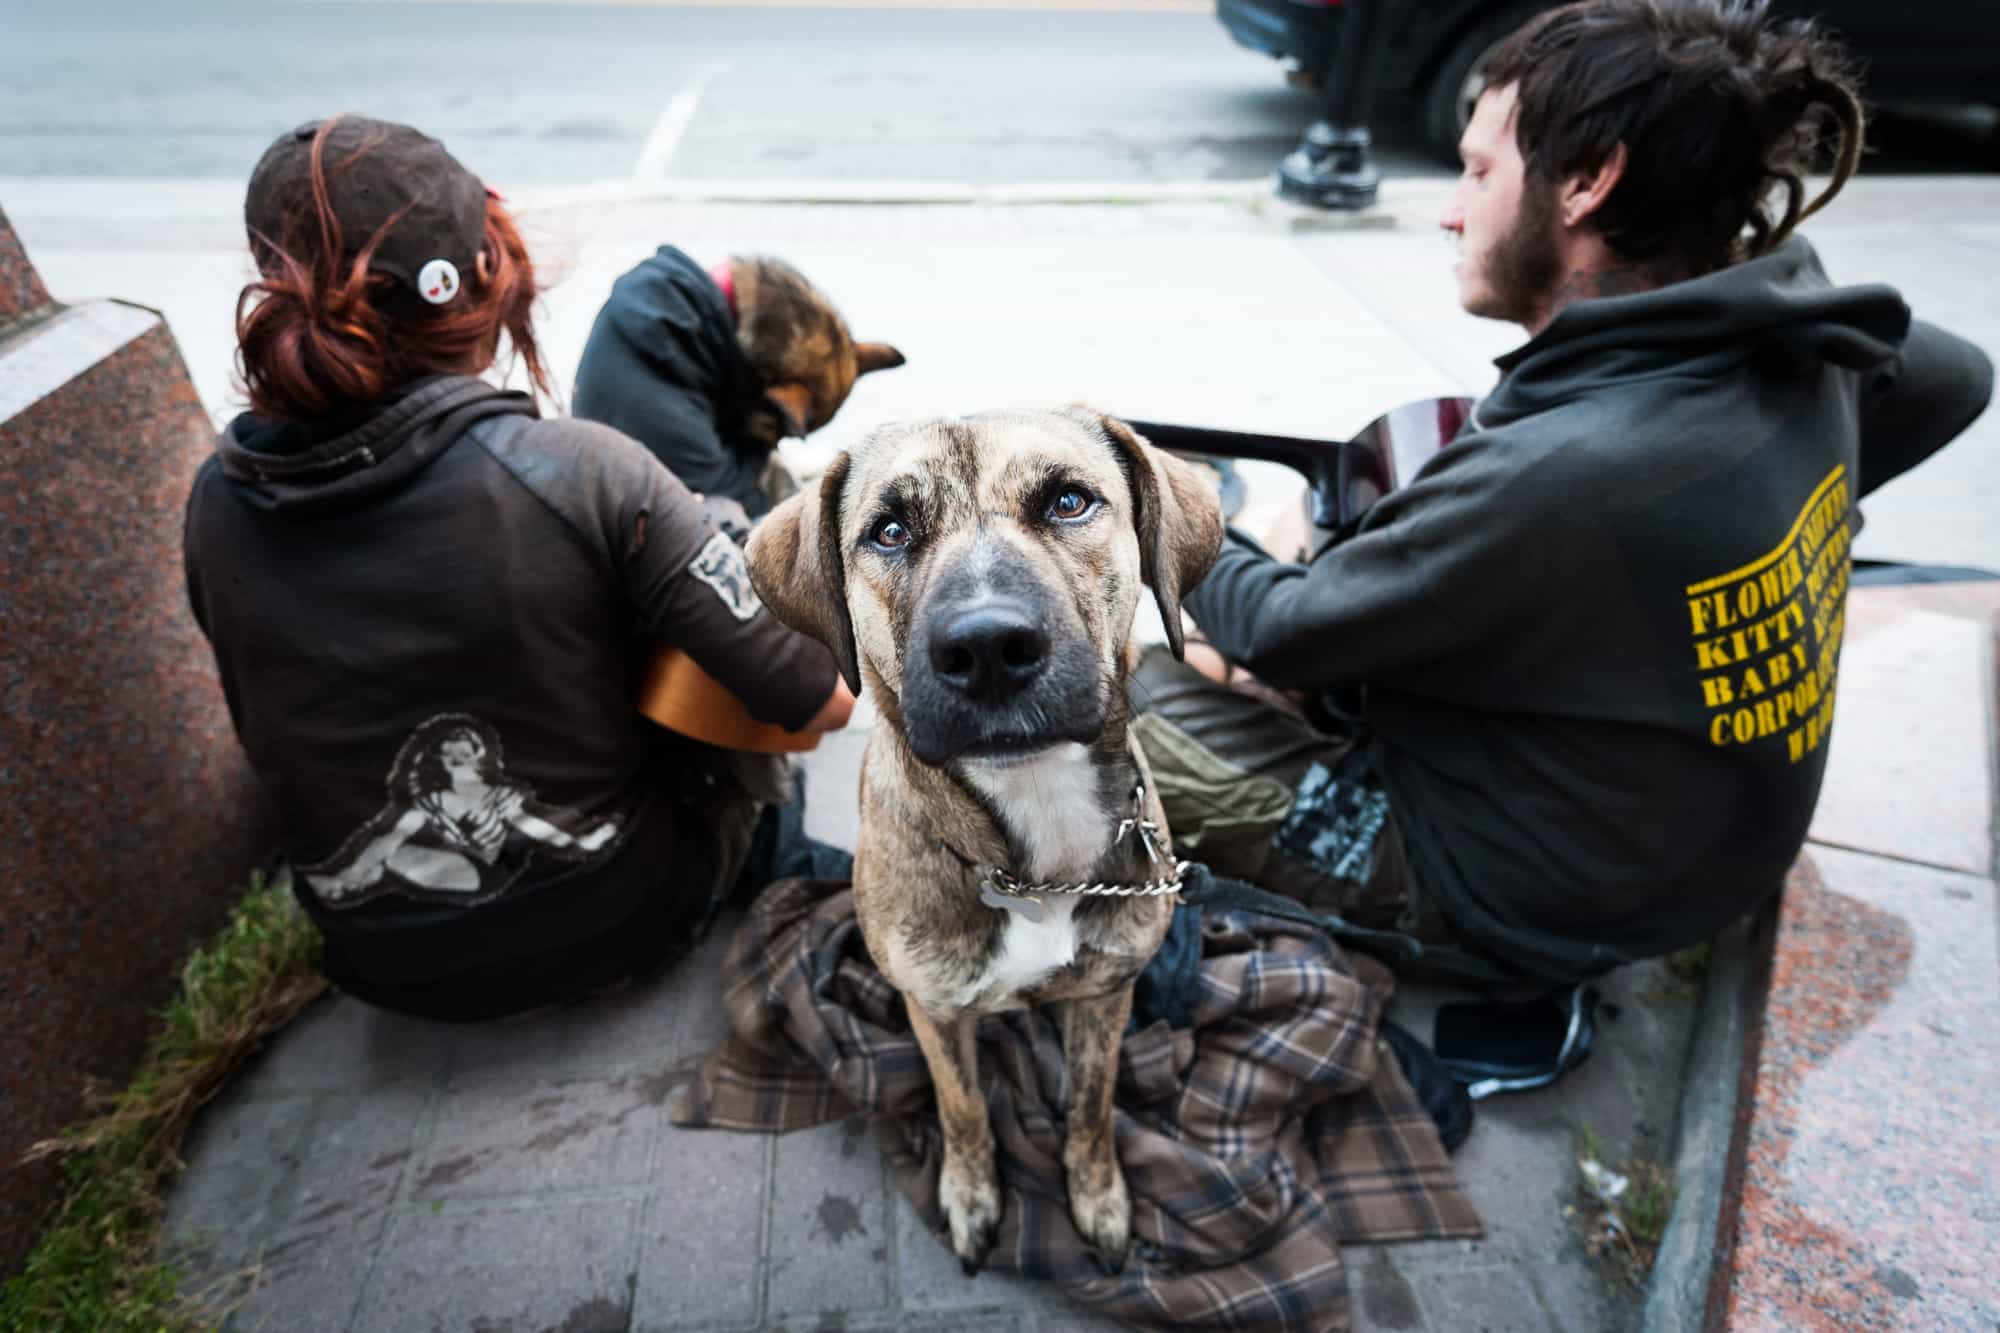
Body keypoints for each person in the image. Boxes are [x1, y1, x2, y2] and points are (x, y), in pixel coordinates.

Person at [1143, 0, 1993, 983]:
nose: (1448, 209)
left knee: (1104, 699)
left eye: (1476, 172)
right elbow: (1958, 376)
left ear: (1587, 182)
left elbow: (1285, 634)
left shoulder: (1576, 470)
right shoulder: (1798, 338)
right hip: (1693, 851)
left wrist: (1169, 503)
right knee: (1308, 551)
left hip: (1517, 899)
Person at [184, 116, 855, 1020]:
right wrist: (721, 534)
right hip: (621, 918)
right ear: (487, 266)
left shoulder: (215, 505)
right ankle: (809, 880)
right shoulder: (580, 469)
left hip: (381, 964)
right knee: (726, 679)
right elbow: (821, 698)